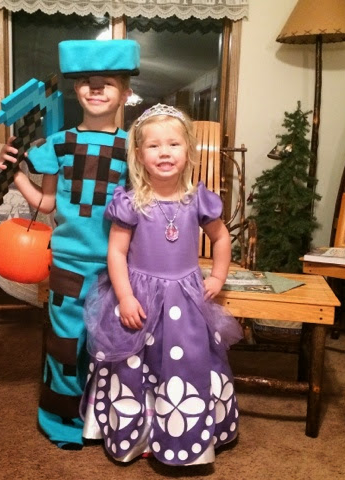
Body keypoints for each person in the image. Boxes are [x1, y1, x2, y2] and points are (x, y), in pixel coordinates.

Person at [80, 104, 243, 466]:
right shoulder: (130, 202)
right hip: (140, 296)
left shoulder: (197, 199)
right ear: (139, 155)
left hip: (185, 298)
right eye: (154, 146)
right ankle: (141, 434)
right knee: (135, 364)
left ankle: (184, 432)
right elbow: (116, 253)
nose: (164, 153)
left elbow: (220, 238)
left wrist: (218, 276)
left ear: (188, 151)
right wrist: (124, 297)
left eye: (173, 144)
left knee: (187, 361)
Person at [0, 39, 140, 450]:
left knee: (112, 346)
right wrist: (15, 175)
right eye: (87, 83)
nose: (96, 89)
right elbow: (46, 203)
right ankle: (62, 421)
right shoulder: (57, 145)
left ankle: (109, 419)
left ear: (125, 93)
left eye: (107, 82)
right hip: (68, 265)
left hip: (117, 269)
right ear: (76, 90)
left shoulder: (133, 148)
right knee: (65, 344)